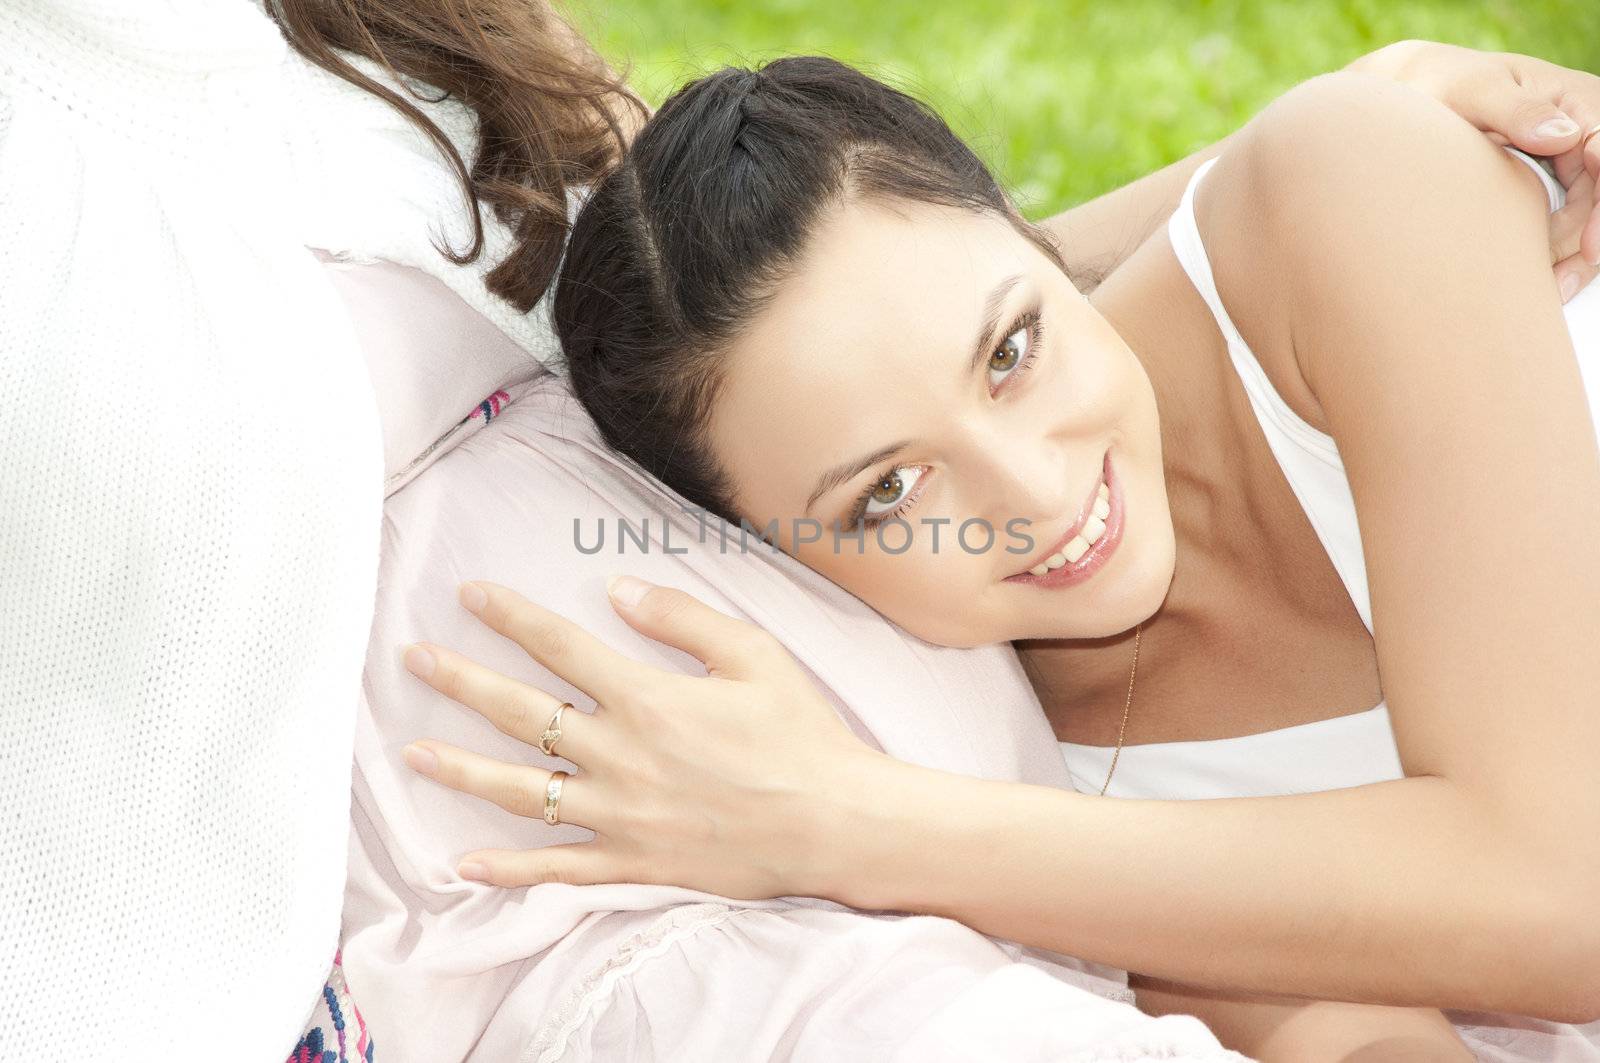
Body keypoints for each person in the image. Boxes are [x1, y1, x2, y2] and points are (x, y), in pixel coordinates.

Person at [1, 0, 1594, 1057]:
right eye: (884, 497)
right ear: (764, 548)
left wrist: (855, 824)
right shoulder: (1061, 785)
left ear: (1023, 228)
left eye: (1015, 345)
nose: (1037, 498)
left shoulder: (1361, 190)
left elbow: (1566, 906)